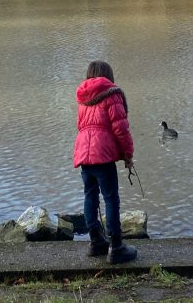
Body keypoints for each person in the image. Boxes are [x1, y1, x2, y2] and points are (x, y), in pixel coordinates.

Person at [73, 60, 138, 264]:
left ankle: (95, 242)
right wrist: (128, 154)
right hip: (102, 154)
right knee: (111, 198)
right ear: (108, 75)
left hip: (84, 152)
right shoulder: (112, 93)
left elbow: (81, 126)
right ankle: (116, 246)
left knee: (90, 195)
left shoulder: (83, 97)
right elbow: (120, 128)